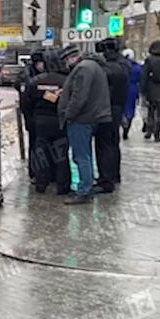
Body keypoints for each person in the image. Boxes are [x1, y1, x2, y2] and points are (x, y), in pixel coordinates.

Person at [58, 45, 111, 205]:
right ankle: (85, 186)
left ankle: (84, 190)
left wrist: (68, 114)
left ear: (72, 57)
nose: (67, 64)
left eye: (66, 60)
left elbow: (79, 96)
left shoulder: (83, 69)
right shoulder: (94, 66)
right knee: (85, 154)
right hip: (93, 116)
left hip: (82, 118)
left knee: (81, 155)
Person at [25, 50, 71, 195]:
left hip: (40, 121)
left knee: (41, 154)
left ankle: (41, 183)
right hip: (59, 121)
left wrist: (31, 120)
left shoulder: (35, 81)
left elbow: (26, 103)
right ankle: (62, 185)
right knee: (61, 153)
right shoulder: (66, 81)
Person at [95, 38, 130, 193]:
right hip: (118, 107)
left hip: (105, 109)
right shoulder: (124, 65)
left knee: (104, 144)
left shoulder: (106, 68)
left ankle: (106, 179)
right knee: (113, 143)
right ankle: (114, 175)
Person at [16, 51, 46, 180]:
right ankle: (34, 171)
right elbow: (24, 97)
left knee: (38, 144)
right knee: (34, 144)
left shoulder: (30, 74)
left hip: (39, 114)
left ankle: (39, 171)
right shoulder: (27, 76)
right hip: (32, 115)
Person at [122, 49, 143, 140]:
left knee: (121, 107)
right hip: (133, 89)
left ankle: (123, 124)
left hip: (121, 88)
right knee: (131, 108)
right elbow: (141, 78)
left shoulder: (121, 65)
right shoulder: (137, 67)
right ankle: (127, 127)